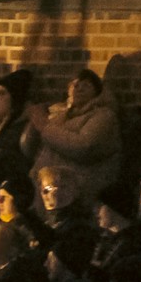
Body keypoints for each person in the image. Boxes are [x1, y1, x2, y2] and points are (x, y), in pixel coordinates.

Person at [28, 68, 122, 196]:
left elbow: (84, 146)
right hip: (47, 186)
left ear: (97, 92)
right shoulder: (63, 116)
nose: (79, 89)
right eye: (76, 85)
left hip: (75, 188)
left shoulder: (104, 116)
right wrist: (34, 121)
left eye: (86, 85)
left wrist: (45, 127)